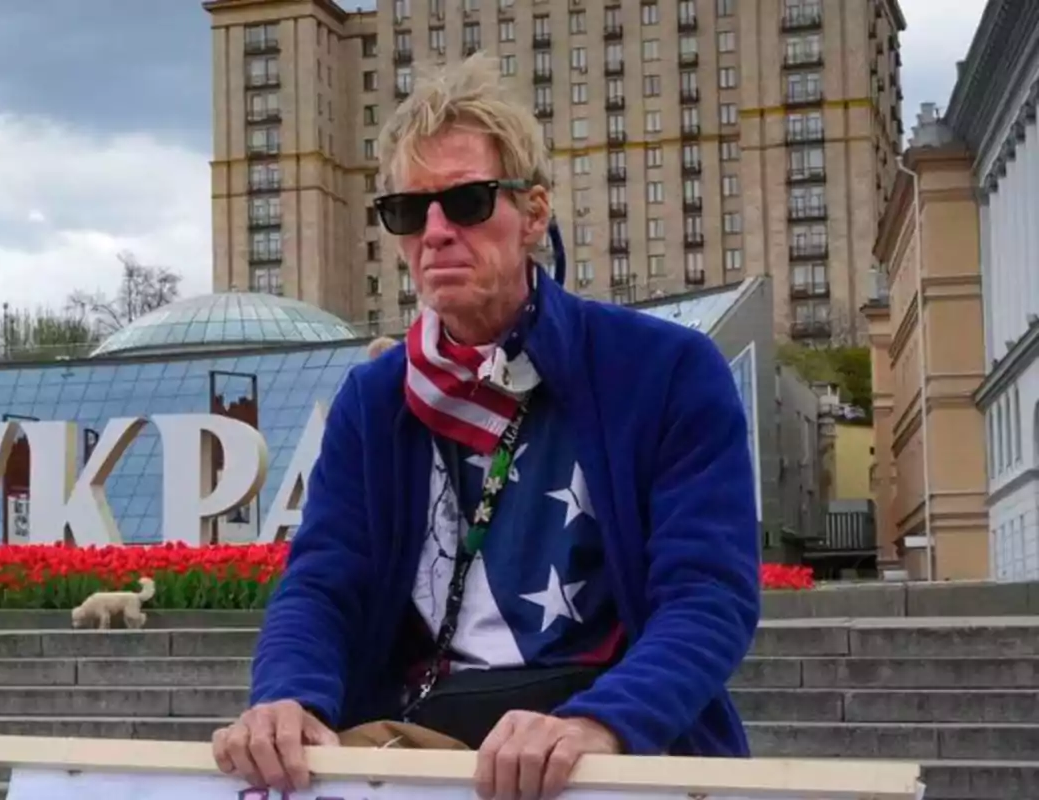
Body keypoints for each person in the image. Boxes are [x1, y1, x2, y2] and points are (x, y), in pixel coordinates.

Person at [212, 53, 760, 800]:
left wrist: (598, 725)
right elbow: (323, 580)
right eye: (407, 211)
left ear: (534, 214)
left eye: (466, 202)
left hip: (613, 749)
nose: (434, 232)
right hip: (425, 745)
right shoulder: (374, 399)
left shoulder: (666, 370)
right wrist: (289, 697)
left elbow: (708, 594)